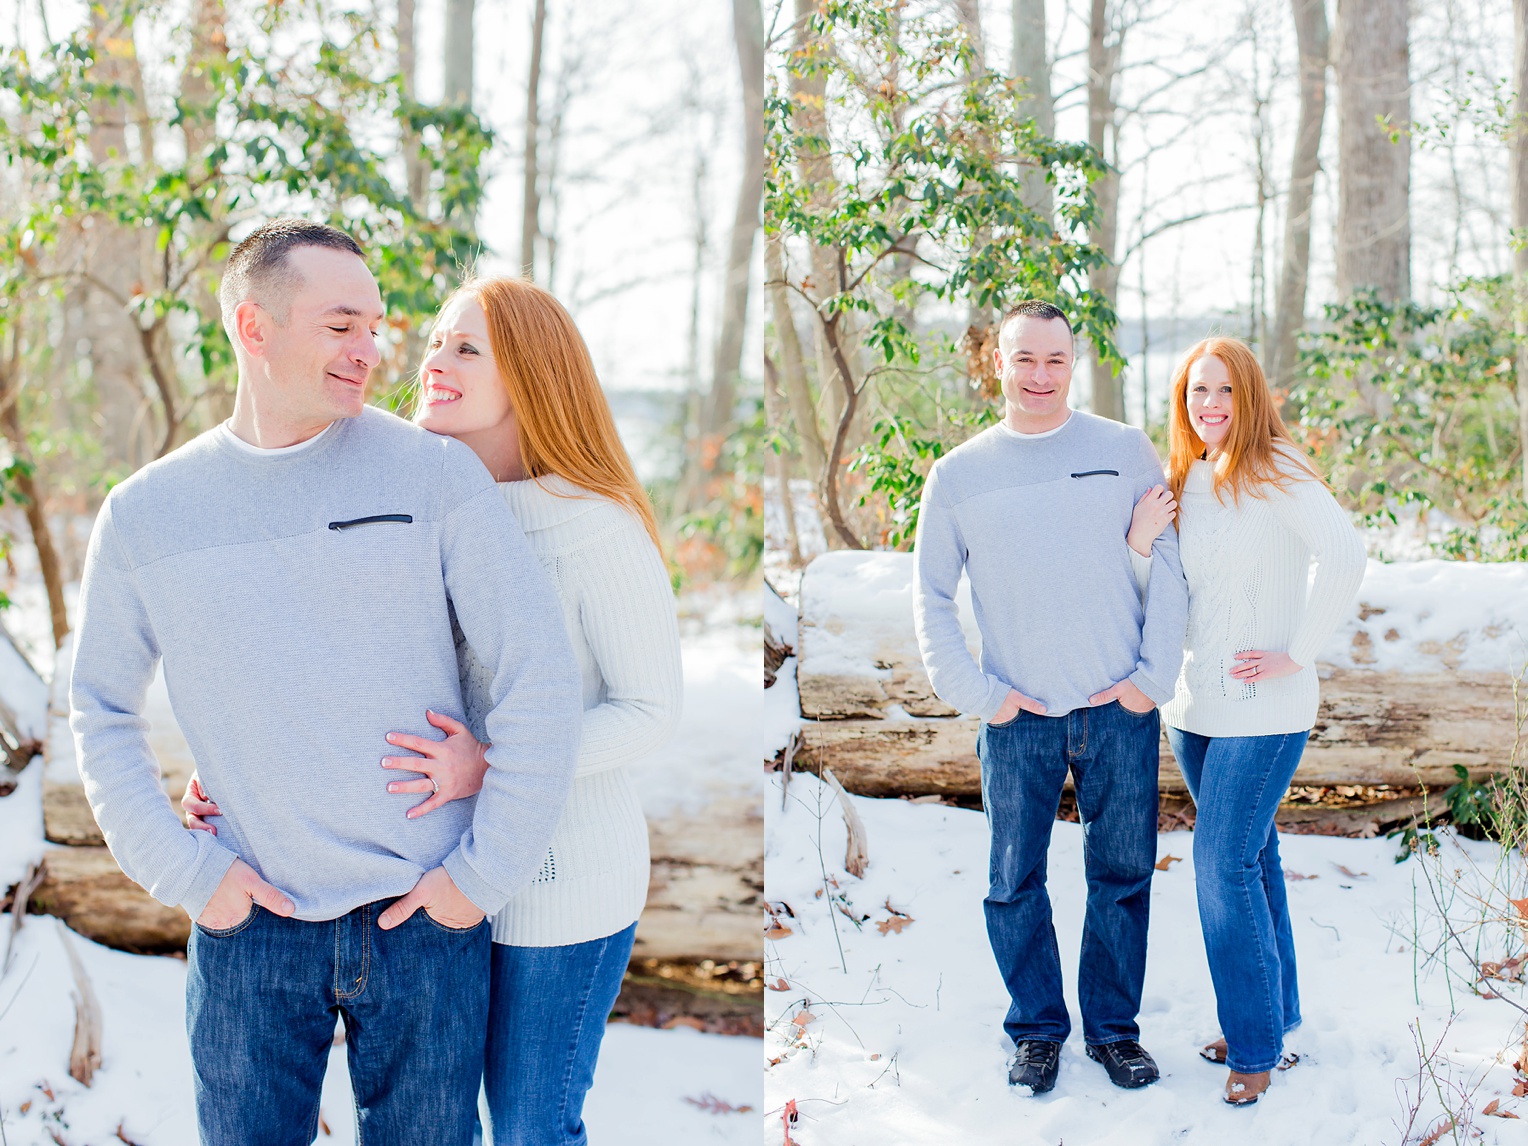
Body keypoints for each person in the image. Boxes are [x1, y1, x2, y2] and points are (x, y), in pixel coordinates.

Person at [69, 220, 583, 1146]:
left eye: (376, 325)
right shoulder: (146, 513)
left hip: (422, 919)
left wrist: (479, 876)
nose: (372, 351)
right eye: (342, 324)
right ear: (252, 327)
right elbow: (100, 711)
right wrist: (186, 872)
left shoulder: (433, 474)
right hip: (248, 927)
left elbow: (538, 678)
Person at [186, 275, 682, 1145]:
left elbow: (650, 710)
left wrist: (494, 761)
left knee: (530, 1126)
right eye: (435, 343)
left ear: (530, 374)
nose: (430, 363)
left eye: (466, 348)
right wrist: (243, 764)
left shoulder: (594, 526)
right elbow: (346, 665)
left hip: (559, 892)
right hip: (434, 883)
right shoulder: (413, 499)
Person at [912, 299, 1189, 1095]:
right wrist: (978, 694)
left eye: (1055, 360)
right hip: (1018, 716)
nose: (1040, 375)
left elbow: (1167, 564)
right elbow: (931, 595)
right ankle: (1036, 1031)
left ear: (1073, 363)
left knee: (1123, 874)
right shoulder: (959, 474)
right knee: (1012, 881)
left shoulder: (1122, 449)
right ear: (994, 362)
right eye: (1024, 358)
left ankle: (1112, 1031)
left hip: (1118, 710)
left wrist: (1149, 682)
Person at [1125, 336, 1365, 1106]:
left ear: (1250, 394)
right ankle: (1275, 1012)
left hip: (1266, 711)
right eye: (1198, 391)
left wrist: (1299, 650)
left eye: (1224, 390)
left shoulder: (1277, 470)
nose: (1211, 405)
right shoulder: (1183, 478)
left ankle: (1256, 1045)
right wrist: (1138, 543)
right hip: (1193, 709)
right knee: (1253, 861)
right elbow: (1162, 591)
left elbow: (1346, 553)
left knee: (1220, 866)